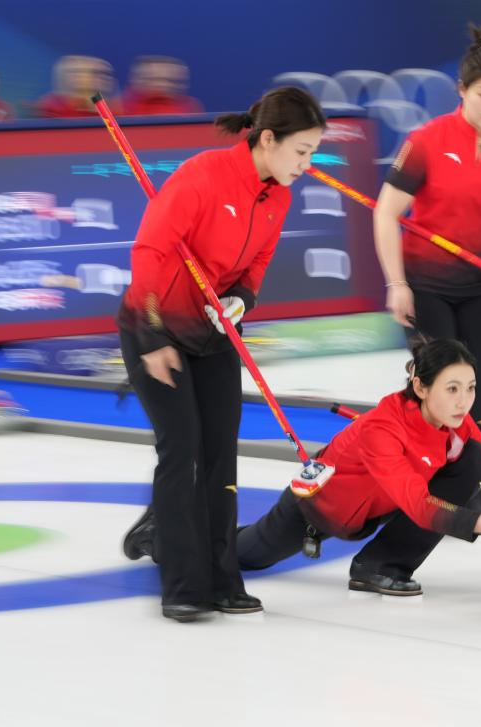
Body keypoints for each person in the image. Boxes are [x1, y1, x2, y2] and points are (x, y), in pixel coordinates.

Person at [117, 87, 326, 622]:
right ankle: (183, 584)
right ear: (268, 139)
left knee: (220, 457)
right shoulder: (203, 175)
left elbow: (256, 265)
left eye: (313, 153)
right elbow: (148, 254)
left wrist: (241, 300)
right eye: (302, 151)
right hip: (155, 325)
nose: (307, 164)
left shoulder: (277, 196)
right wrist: (154, 336)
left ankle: (221, 578)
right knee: (183, 451)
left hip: (213, 332)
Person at [234, 338, 481, 596]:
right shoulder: (382, 430)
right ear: (421, 387)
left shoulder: (455, 422)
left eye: (470, 388)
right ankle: (206, 537)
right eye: (452, 389)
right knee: (243, 555)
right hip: (316, 509)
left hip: (374, 509)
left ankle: (380, 567)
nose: (464, 401)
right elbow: (419, 507)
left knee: (475, 460)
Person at [373, 20, 481, 473]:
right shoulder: (427, 141)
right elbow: (386, 213)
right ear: (462, 90)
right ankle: (420, 486)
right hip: (425, 285)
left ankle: (471, 487)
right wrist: (396, 284)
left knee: (478, 390)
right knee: (442, 387)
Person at [114, 55, 203, 116]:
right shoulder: (119, 108)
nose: (161, 84)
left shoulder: (192, 108)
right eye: (153, 79)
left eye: (168, 80)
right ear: (135, 79)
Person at [32, 55, 115, 118]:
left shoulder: (111, 110)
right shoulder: (52, 107)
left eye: (103, 75)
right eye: (78, 73)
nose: (102, 79)